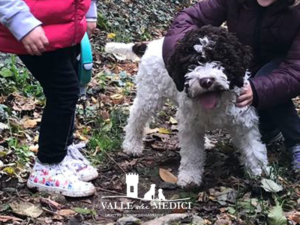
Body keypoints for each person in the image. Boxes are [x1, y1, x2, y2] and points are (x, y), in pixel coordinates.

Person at [163, 0, 300, 173]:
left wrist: (258, 89)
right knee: (258, 125)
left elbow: (296, 69)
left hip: (283, 66)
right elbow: (189, 18)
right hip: (241, 62)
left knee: (269, 77)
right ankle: (270, 129)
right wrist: (183, 52)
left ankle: (296, 141)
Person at [0, 0, 99, 197]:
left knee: (69, 87)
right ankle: (47, 166)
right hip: (33, 26)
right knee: (64, 91)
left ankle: (63, 151)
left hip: (65, 26)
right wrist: (21, 21)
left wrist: (89, 11)